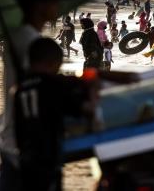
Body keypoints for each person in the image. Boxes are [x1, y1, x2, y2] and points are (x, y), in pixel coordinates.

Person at [0, 0, 75, 191]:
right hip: (26, 140)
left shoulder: (21, 37)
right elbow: (42, 84)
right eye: (54, 2)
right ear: (39, 5)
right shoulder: (29, 42)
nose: (58, 7)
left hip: (16, 134)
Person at [14, 37, 96, 191]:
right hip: (48, 156)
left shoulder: (19, 90)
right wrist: (93, 92)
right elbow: (85, 109)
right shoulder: (54, 85)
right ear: (53, 63)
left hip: (25, 157)